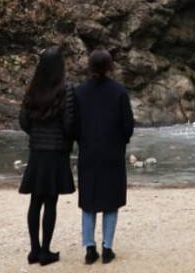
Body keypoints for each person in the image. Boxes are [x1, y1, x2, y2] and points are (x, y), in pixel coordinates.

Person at [75, 50, 135, 265]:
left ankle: (89, 248)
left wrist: (81, 140)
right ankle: (107, 248)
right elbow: (128, 125)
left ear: (90, 67)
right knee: (111, 201)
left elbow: (73, 124)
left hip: (88, 151)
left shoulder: (79, 92)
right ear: (110, 67)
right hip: (113, 152)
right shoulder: (119, 91)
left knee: (88, 201)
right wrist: (121, 141)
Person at [19, 46, 75, 266]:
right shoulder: (65, 89)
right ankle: (45, 251)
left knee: (35, 200)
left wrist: (36, 134)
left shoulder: (32, 89)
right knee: (50, 202)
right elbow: (69, 124)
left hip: (37, 152)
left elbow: (23, 121)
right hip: (57, 152)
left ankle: (34, 250)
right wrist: (69, 140)